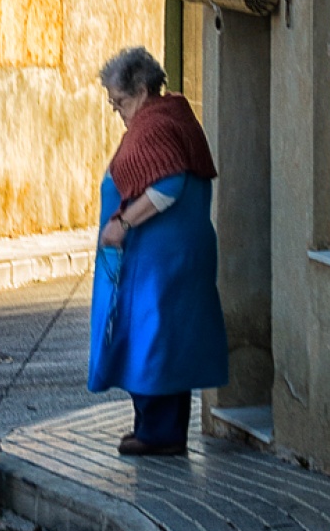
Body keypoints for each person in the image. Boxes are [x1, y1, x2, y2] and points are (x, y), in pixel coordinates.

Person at [88, 47, 228, 456]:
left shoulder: (154, 125)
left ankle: (159, 434)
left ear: (144, 90)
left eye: (122, 102)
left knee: (152, 340)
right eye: (114, 105)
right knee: (165, 340)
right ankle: (155, 429)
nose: (120, 113)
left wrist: (123, 222)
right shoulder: (171, 115)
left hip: (161, 261)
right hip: (173, 257)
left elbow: (168, 186)